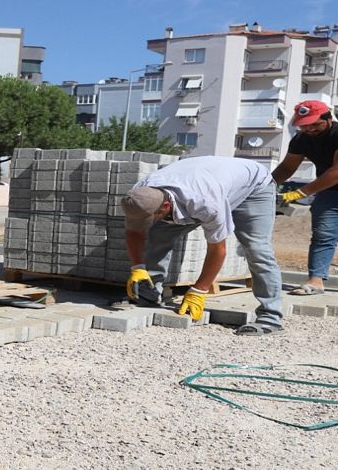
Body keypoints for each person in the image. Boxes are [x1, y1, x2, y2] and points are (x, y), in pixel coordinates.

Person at [122, 156, 283, 336]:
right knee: (159, 231)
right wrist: (137, 268)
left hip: (253, 186)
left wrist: (199, 289)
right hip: (209, 180)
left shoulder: (206, 203)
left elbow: (217, 249)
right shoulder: (140, 195)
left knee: (256, 248)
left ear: (165, 206)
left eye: (151, 217)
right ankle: (148, 294)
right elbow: (135, 232)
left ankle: (270, 316)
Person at [272, 100, 338, 296]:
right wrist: (263, 186)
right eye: (304, 125)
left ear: (328, 118)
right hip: (330, 192)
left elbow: (336, 171)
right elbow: (286, 168)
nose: (310, 129)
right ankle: (316, 282)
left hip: (331, 181)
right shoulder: (301, 140)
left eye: (315, 124)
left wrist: (300, 193)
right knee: (323, 234)